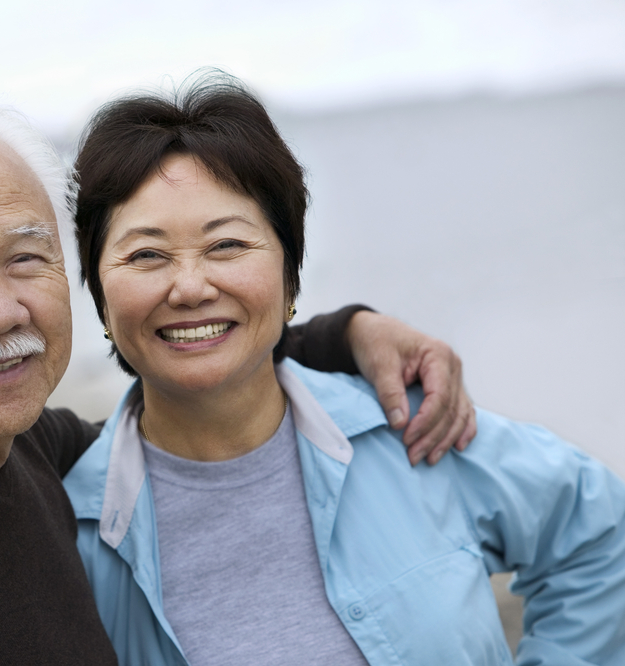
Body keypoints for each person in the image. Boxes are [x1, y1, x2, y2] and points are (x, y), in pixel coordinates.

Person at [0, 99, 473, 665]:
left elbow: (186, 386)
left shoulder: (19, 444)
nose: (0, 311)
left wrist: (345, 335)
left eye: (26, 258)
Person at [64, 73, 625, 665]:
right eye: (146, 254)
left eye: (226, 245)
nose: (190, 287)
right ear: (100, 297)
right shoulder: (68, 527)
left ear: (290, 278)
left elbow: (596, 529)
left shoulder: (408, 429)